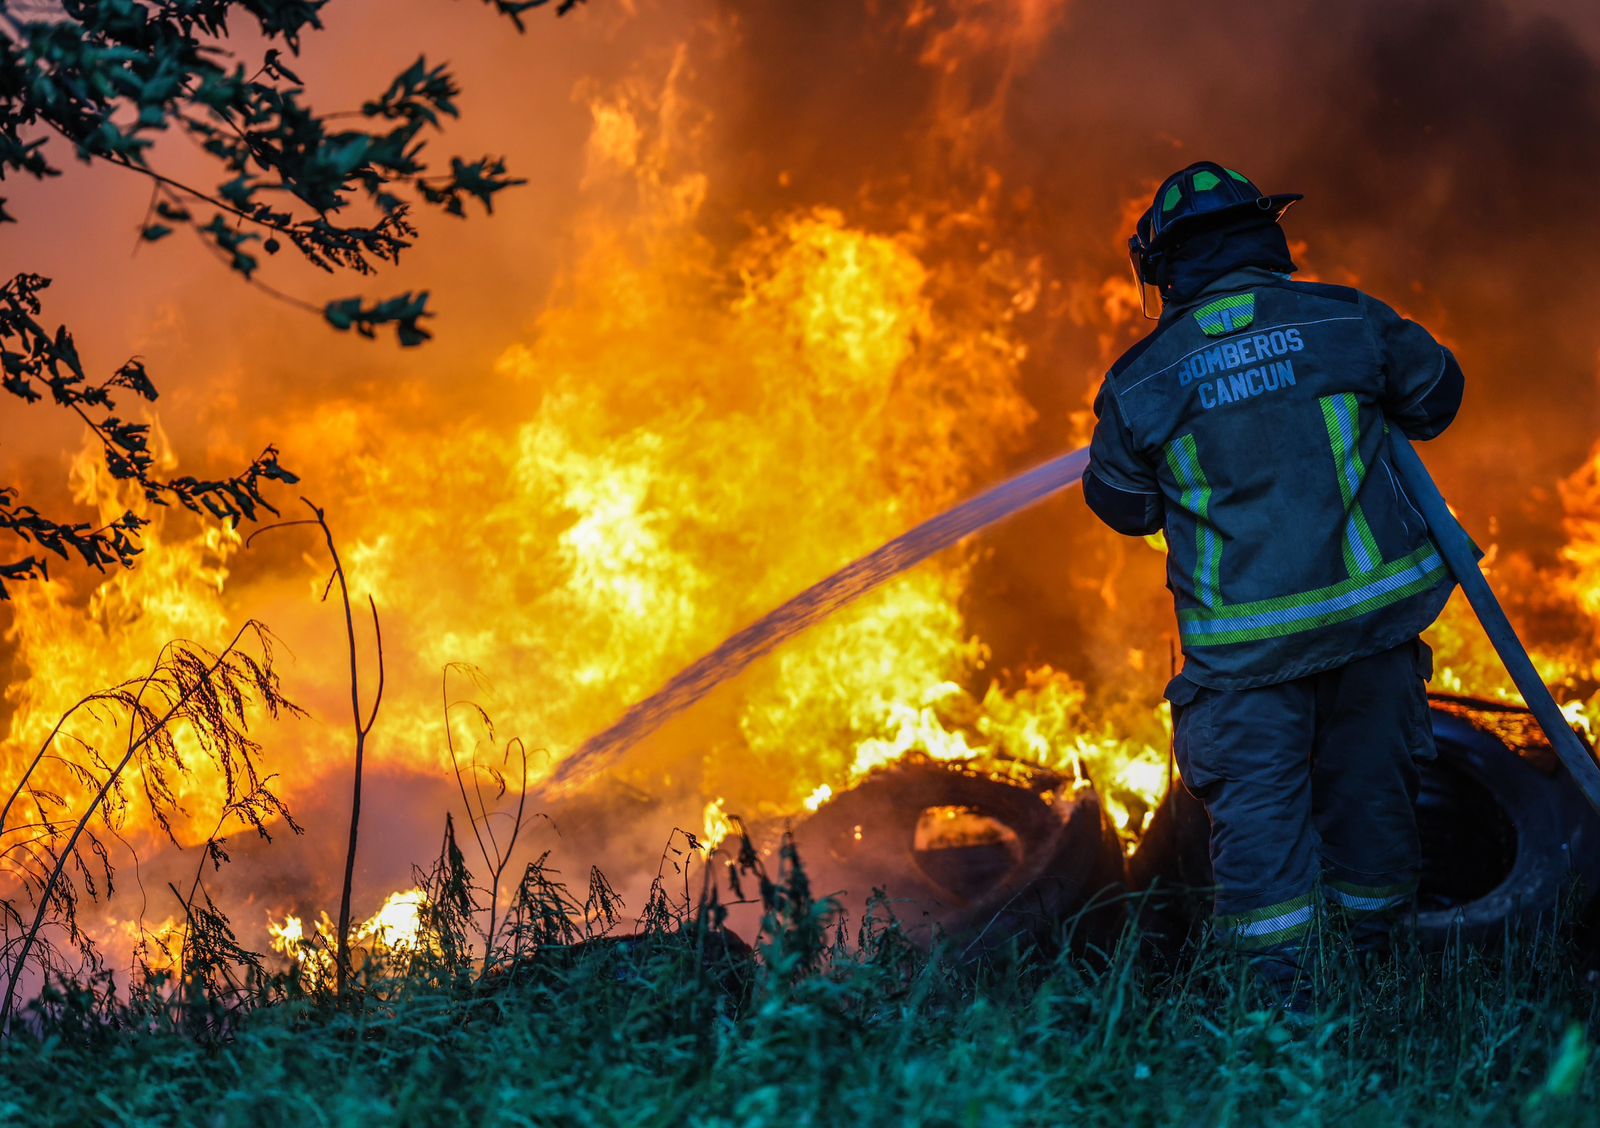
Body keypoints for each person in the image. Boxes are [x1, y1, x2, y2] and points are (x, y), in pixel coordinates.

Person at [1083, 161, 1465, 1000]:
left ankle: (1280, 1040)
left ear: (1163, 268)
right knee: (1375, 840)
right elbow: (1438, 397)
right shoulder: (1345, 319)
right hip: (1370, 644)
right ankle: (1380, 1004)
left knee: (1264, 869)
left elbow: (1122, 506)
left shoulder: (1141, 382)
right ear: (1266, 232)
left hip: (1245, 670)